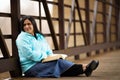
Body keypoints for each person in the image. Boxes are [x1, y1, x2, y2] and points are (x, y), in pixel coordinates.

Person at [16, 15, 99, 78]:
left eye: (29, 24)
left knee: (58, 62)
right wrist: (44, 56)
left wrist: (52, 57)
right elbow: (29, 54)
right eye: (24, 25)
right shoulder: (21, 38)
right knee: (58, 64)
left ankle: (85, 69)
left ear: (33, 24)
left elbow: (48, 50)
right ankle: (84, 67)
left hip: (42, 63)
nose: (27, 26)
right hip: (31, 67)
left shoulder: (39, 36)